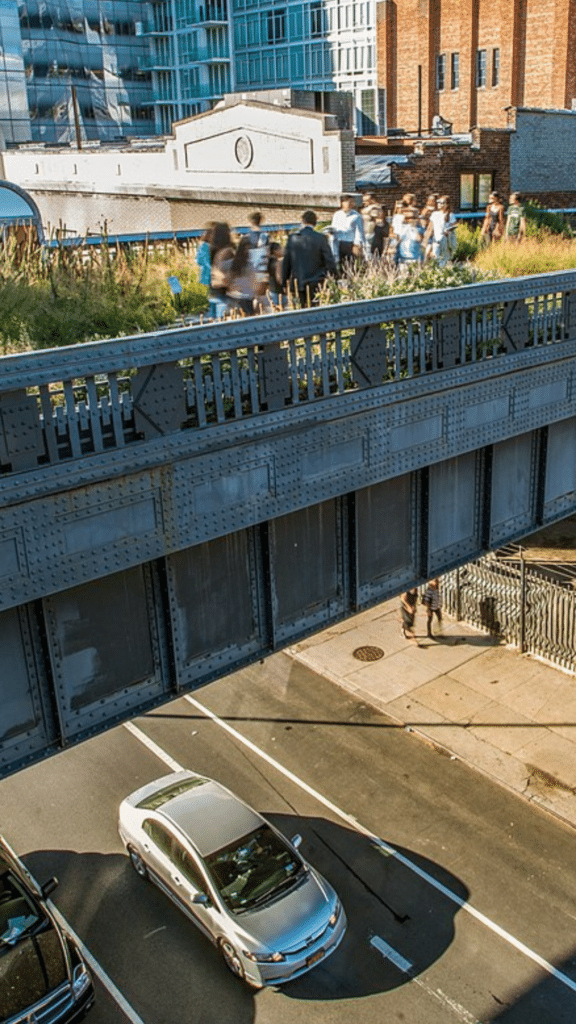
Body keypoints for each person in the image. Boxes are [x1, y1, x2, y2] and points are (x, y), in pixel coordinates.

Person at [281, 209, 336, 307]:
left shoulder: (292, 238)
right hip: (317, 282)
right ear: (315, 222)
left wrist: (284, 283)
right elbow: (329, 261)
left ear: (302, 221)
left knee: (300, 310)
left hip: (298, 282)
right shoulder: (321, 238)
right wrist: (334, 277)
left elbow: (286, 262)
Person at [331, 194, 366, 267]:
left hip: (349, 243)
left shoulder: (356, 216)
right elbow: (333, 227)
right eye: (348, 202)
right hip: (338, 242)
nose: (350, 204)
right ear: (342, 203)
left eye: (352, 202)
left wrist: (357, 245)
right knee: (338, 264)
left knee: (349, 265)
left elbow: (359, 232)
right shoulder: (337, 215)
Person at [209, 222, 235, 319]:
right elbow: (223, 274)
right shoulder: (227, 252)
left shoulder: (215, 252)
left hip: (215, 295)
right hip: (226, 297)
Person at [227, 236, 257, 316]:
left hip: (233, 297)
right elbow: (253, 283)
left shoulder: (232, 263)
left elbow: (228, 281)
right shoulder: (250, 264)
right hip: (246, 298)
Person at [424, 194, 457, 265]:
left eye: (442, 203)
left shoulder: (450, 215)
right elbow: (430, 228)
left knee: (443, 260)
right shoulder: (435, 214)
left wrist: (448, 231)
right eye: (438, 202)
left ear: (447, 205)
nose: (439, 204)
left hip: (445, 241)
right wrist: (426, 240)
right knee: (435, 259)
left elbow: (454, 226)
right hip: (436, 241)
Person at [247, 211, 269, 295]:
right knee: (261, 295)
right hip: (262, 270)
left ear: (252, 222)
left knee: (252, 296)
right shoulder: (265, 236)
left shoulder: (247, 237)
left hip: (250, 271)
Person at [360, 192, 383, 257]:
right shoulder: (367, 207)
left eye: (366, 201)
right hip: (365, 233)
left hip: (371, 233)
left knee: (369, 253)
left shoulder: (375, 208)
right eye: (363, 201)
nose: (364, 202)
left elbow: (378, 220)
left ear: (373, 200)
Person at [195, 222, 214, 288]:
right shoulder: (206, 246)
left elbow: (198, 260)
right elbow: (205, 261)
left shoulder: (202, 246)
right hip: (210, 275)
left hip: (206, 275)